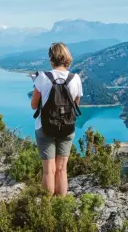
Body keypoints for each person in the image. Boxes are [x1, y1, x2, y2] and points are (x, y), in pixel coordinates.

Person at [31, 42, 83, 196]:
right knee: (62, 169)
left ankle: (47, 210)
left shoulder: (42, 77)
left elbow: (34, 105)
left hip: (45, 127)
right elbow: (76, 104)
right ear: (67, 57)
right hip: (67, 127)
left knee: (49, 171)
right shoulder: (75, 78)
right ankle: (61, 207)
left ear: (51, 58)